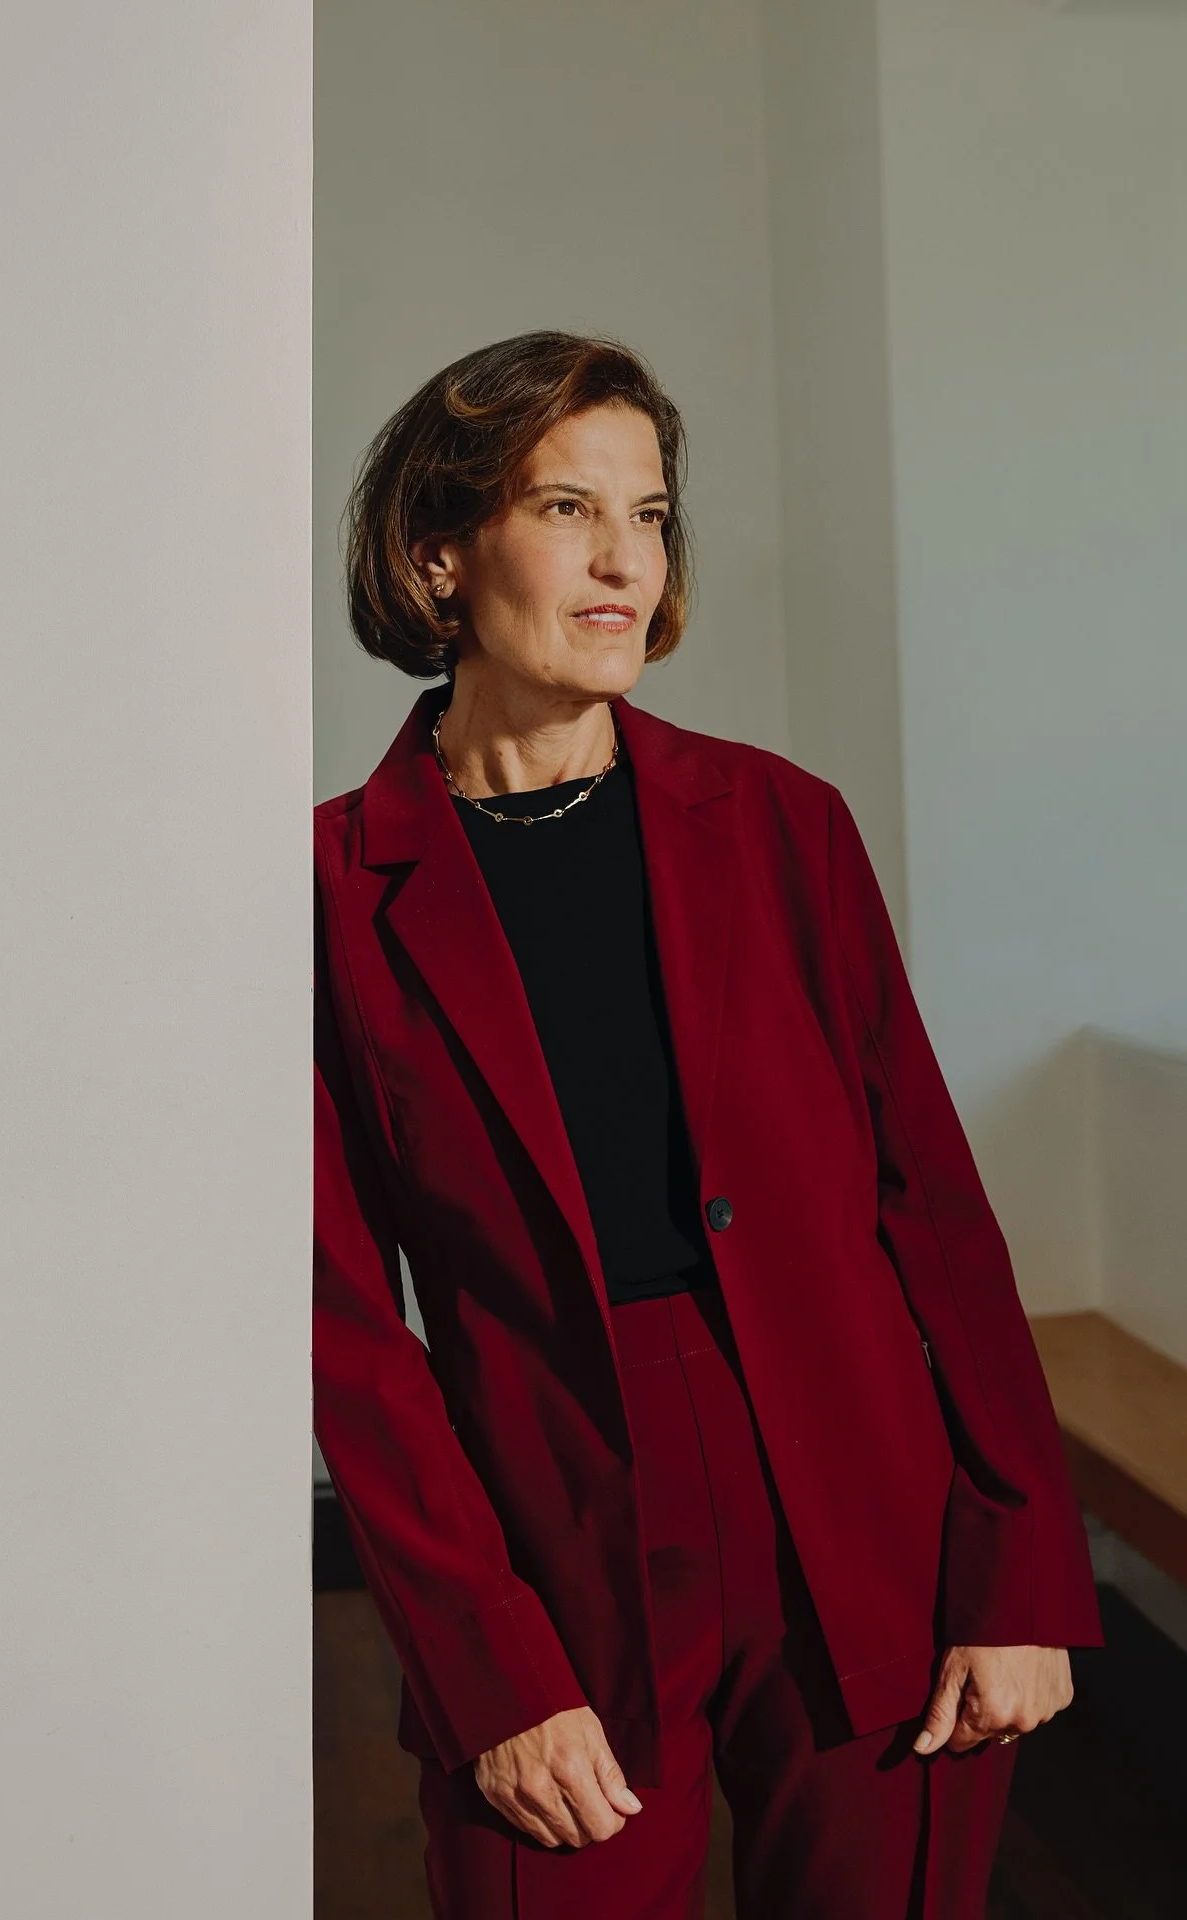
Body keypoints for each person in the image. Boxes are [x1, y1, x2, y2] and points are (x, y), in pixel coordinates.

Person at [312, 330, 1102, 1919]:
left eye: (651, 515)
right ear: (438, 553)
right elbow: (339, 1326)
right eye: (567, 509)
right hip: (554, 1538)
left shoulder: (784, 825)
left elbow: (937, 1216)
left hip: (866, 1502)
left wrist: (1020, 1572)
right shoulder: (329, 894)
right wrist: (483, 1664)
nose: (625, 561)